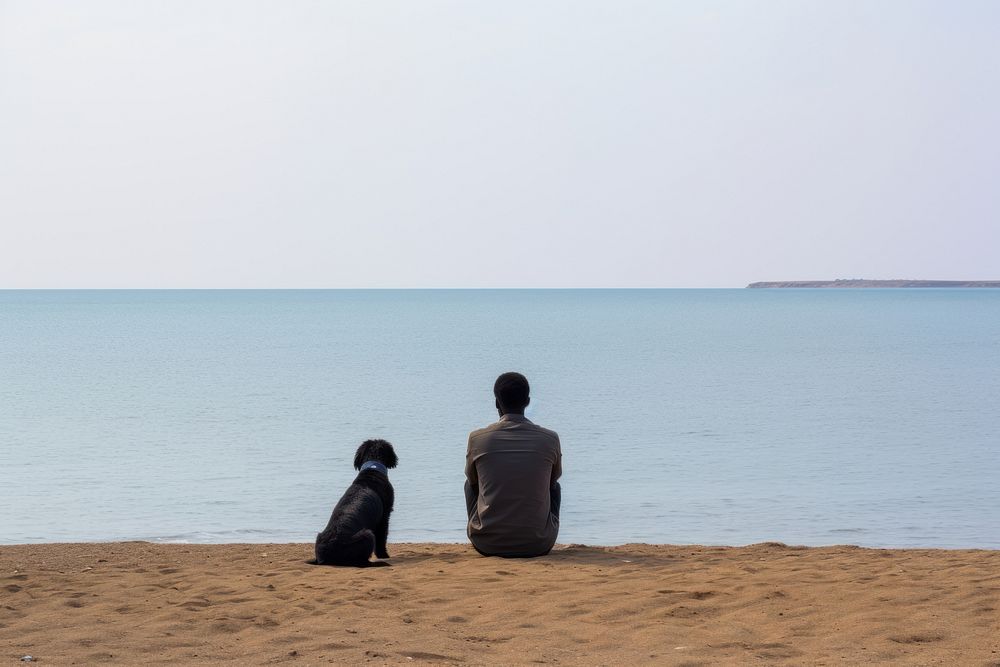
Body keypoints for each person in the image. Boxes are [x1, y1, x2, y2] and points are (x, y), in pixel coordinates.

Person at [464, 372, 562, 557]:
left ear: (496, 403)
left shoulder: (477, 438)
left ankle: (484, 527)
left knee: (470, 484)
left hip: (487, 544)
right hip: (539, 543)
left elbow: (473, 483)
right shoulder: (550, 439)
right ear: (527, 401)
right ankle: (537, 528)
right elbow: (552, 483)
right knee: (554, 486)